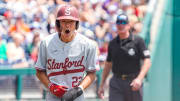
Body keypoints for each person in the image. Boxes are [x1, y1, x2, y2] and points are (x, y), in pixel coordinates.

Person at [35, 4, 98, 101]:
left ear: (77, 24)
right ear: (58, 24)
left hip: (76, 96)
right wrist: (51, 86)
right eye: (64, 21)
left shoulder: (88, 45)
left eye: (71, 21)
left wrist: (79, 89)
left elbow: (92, 74)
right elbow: (39, 71)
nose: (67, 25)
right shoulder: (46, 43)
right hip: (53, 96)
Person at [98, 13, 151, 101]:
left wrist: (139, 79)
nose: (121, 25)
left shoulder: (138, 41)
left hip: (133, 82)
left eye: (123, 23)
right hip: (116, 82)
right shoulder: (112, 43)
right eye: (118, 23)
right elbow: (108, 64)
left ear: (129, 25)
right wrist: (102, 84)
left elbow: (147, 61)